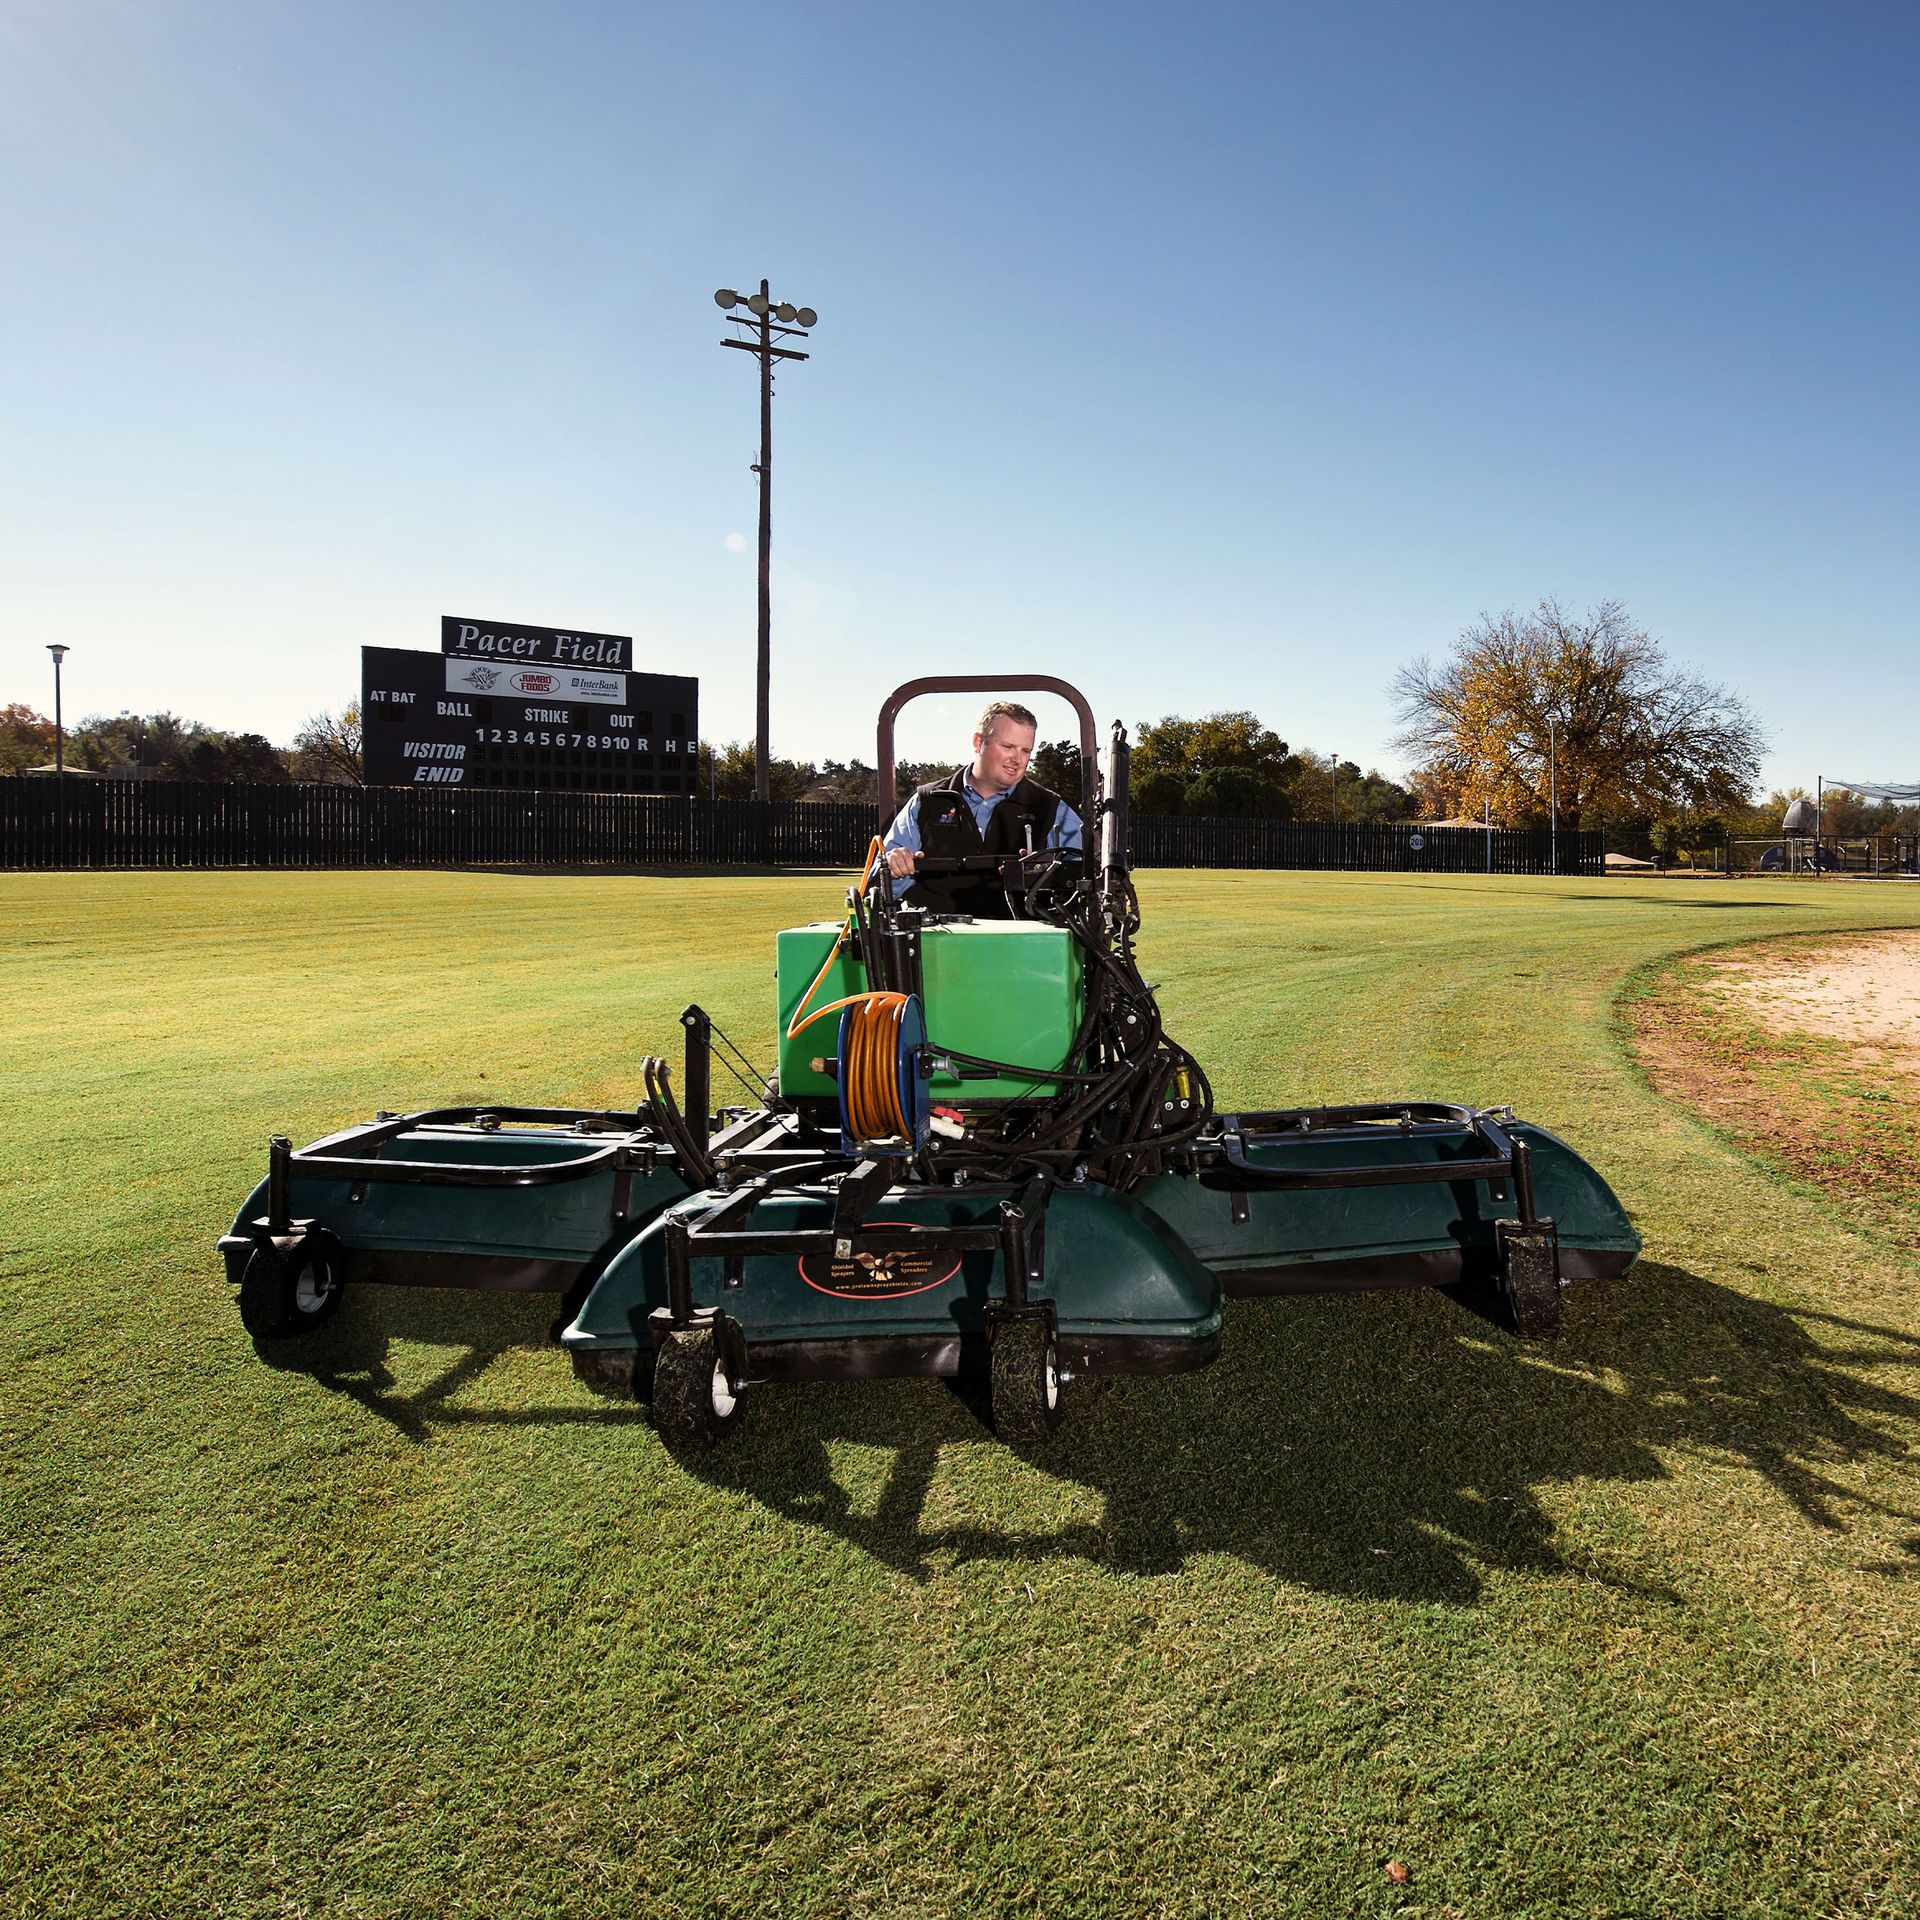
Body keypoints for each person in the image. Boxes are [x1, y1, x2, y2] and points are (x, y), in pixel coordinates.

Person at [881, 700, 1083, 918]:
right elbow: (880, 881)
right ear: (978, 742)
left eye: (1026, 750)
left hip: (1022, 942)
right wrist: (895, 864)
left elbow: (1085, 878)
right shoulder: (927, 802)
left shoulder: (1050, 807)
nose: (1018, 759)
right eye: (1008, 747)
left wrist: (1049, 873)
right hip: (937, 940)